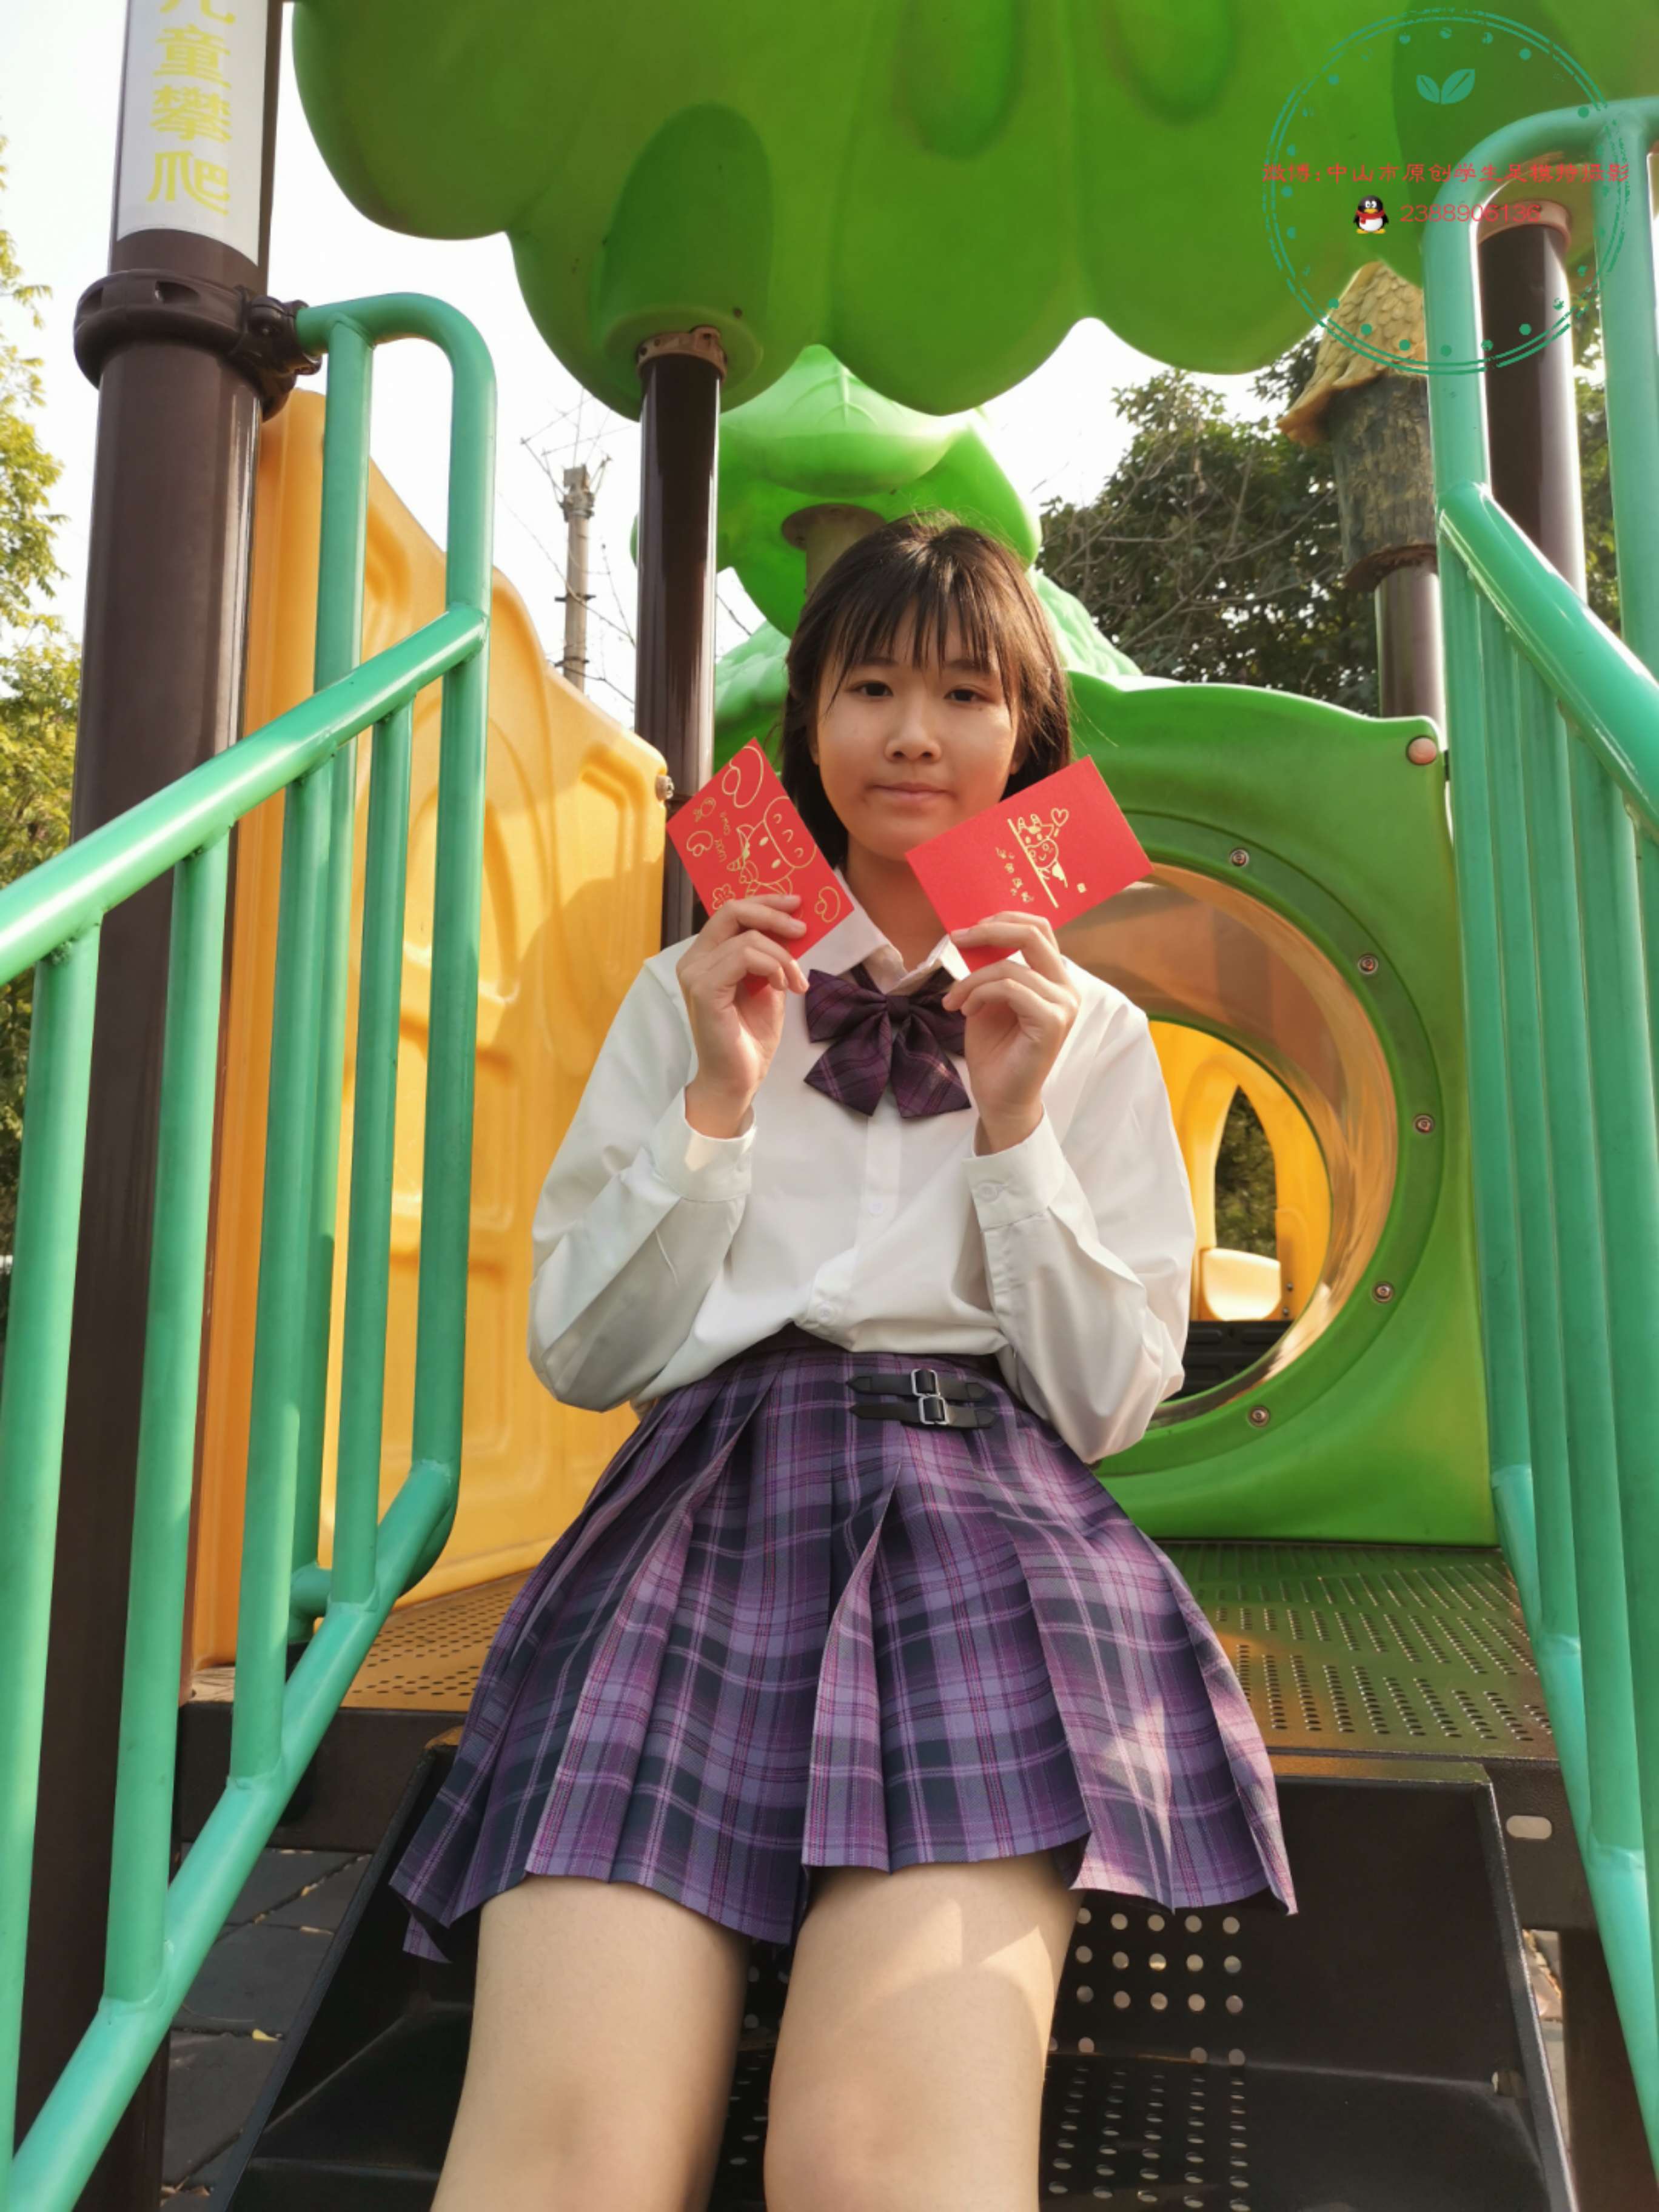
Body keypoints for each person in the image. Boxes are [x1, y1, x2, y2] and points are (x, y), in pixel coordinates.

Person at [392, 514, 1296, 2211]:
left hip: (984, 1523)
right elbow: (585, 1351)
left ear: (1026, 735)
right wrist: (717, 1106)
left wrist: (1016, 1130)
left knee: (879, 2167)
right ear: (809, 723)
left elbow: (1106, 1403)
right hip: (701, 1510)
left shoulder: (1094, 1030)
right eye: (869, 687)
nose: (912, 734)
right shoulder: (689, 990)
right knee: (569, 2160)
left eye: (964, 694)